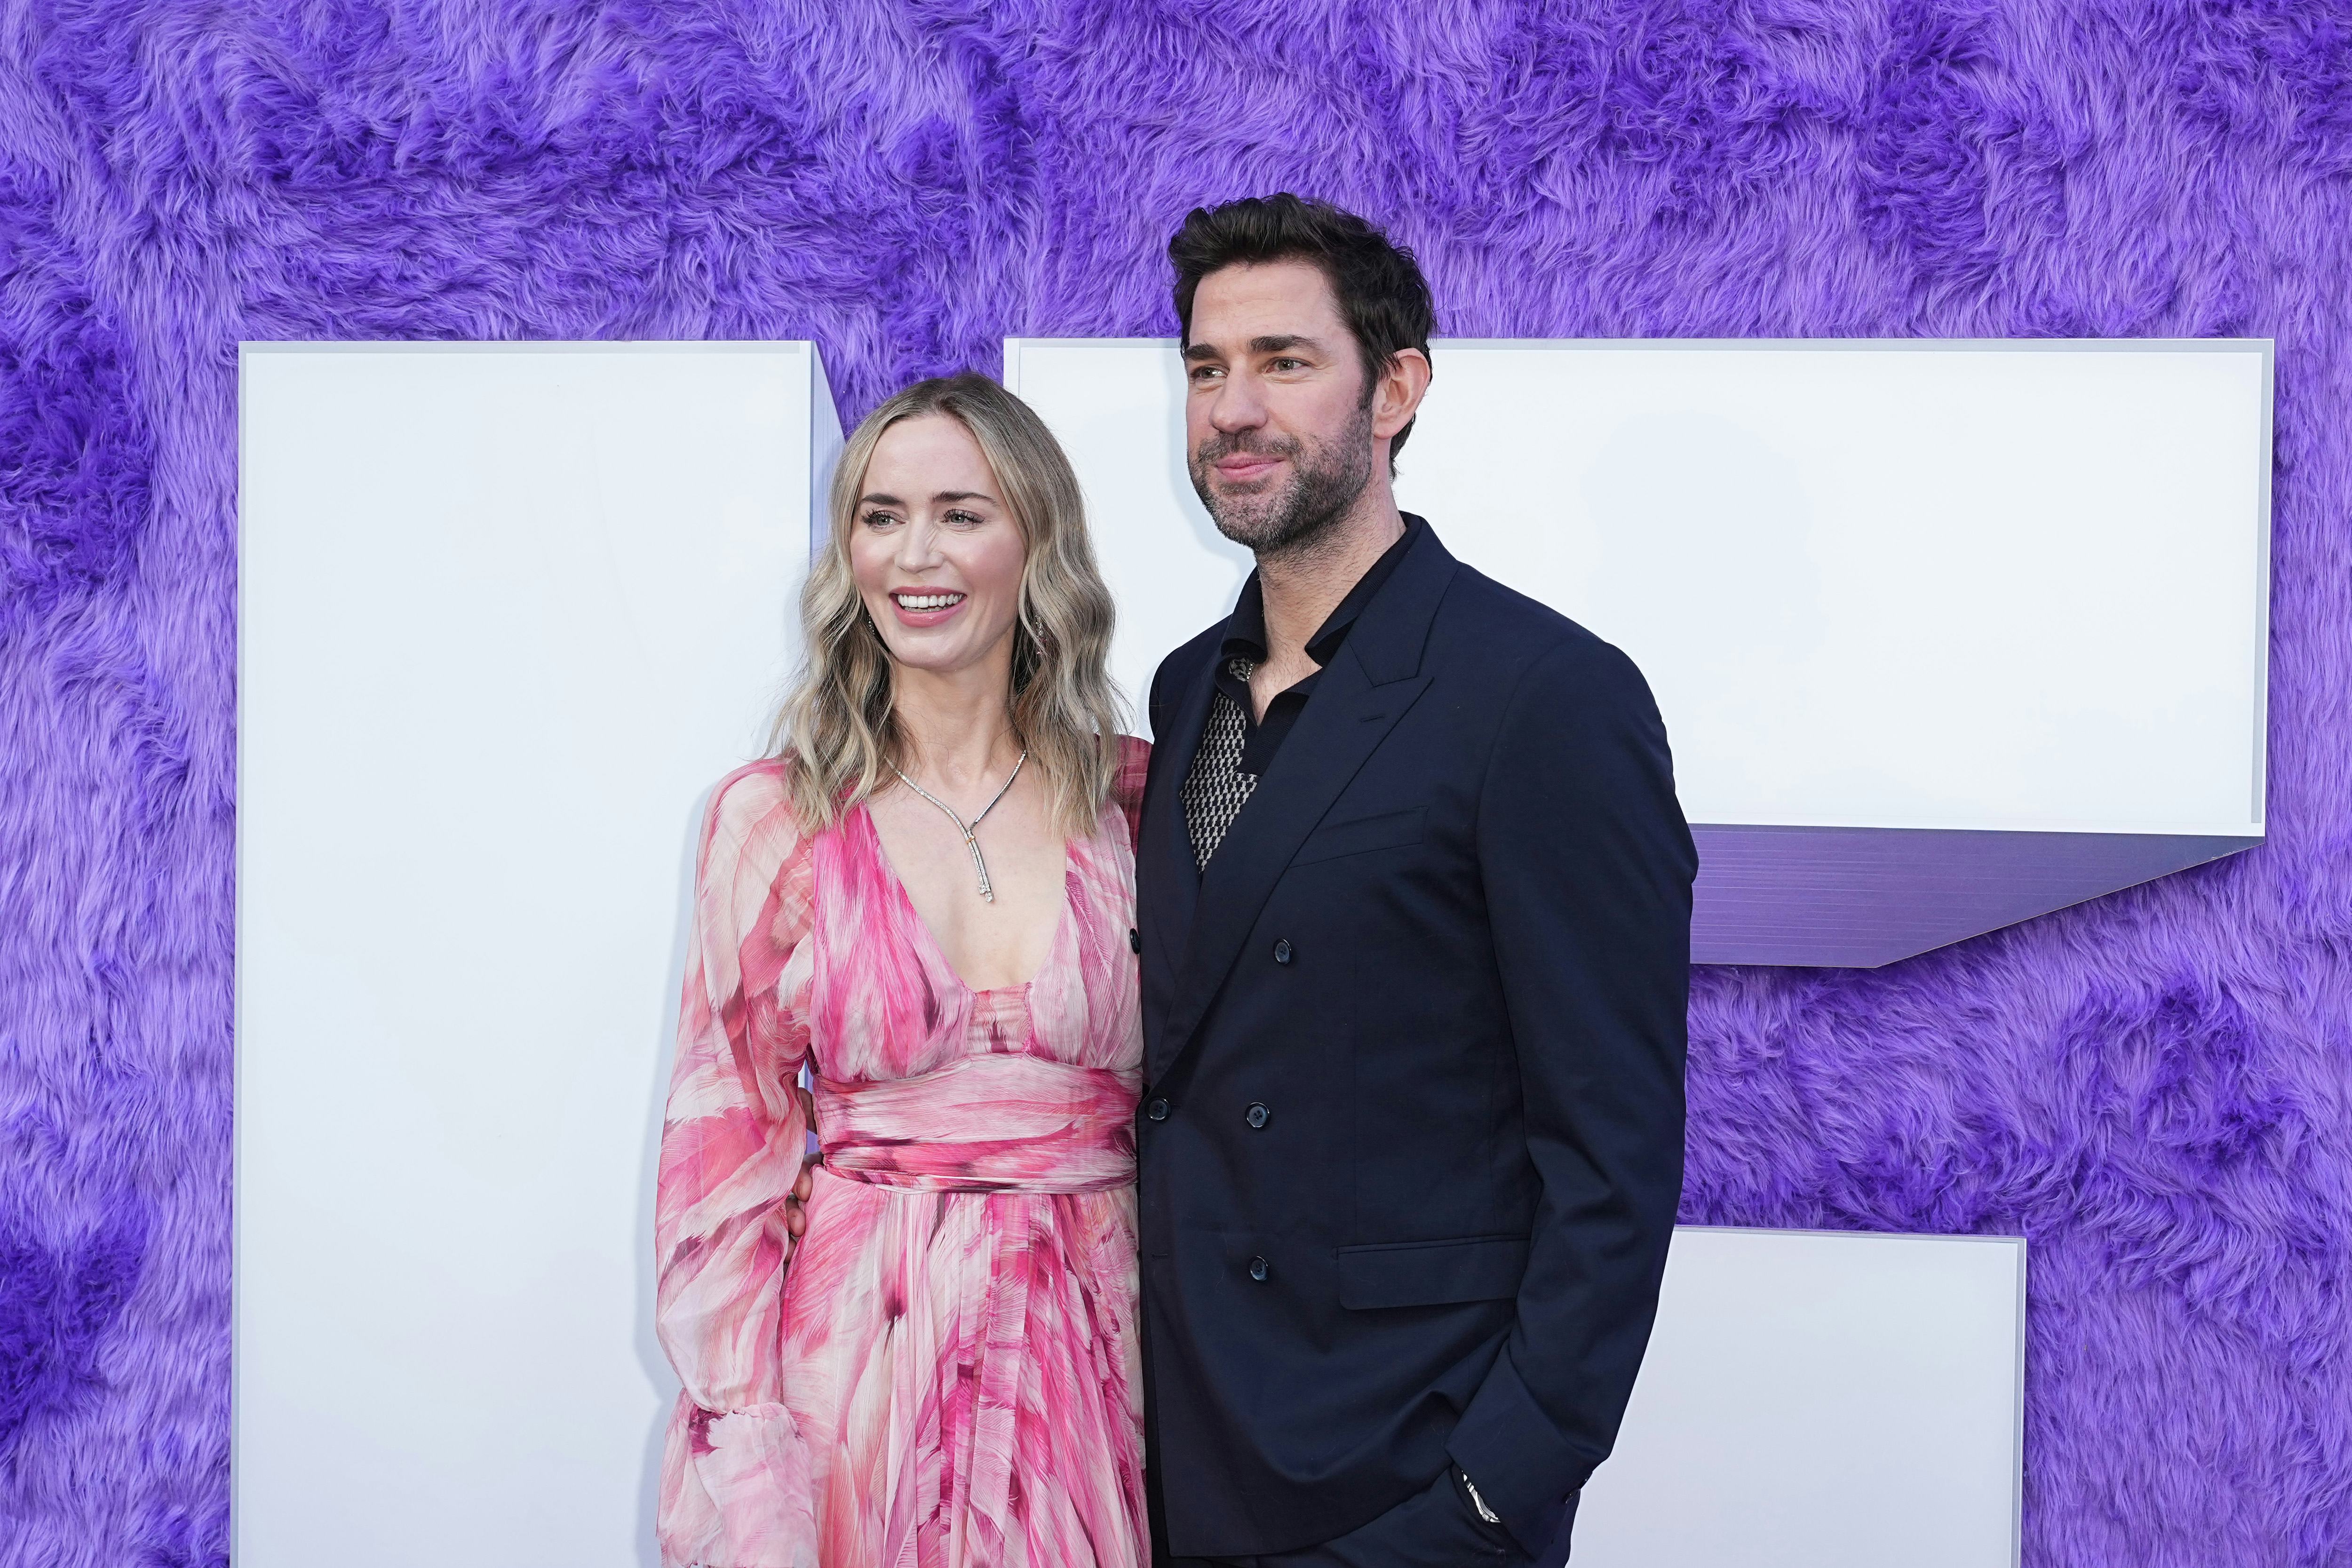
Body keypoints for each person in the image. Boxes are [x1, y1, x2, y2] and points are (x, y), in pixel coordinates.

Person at [1134, 195, 1697, 1566]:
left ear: (1396, 387)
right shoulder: (1185, 684)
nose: (1232, 408)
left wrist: (1494, 1490)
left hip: (1403, 1474)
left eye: (1284, 360)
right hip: (1176, 1448)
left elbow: (1613, 1158)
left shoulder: (1546, 695)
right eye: (1207, 368)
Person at [653, 373, 1151, 1567]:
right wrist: (747, 1448)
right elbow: (721, 1159)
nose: (913, 553)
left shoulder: (1137, 795)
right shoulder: (775, 818)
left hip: (1105, 1358)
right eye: (880, 515)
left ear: (1039, 540)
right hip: (856, 1370)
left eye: (960, 512)